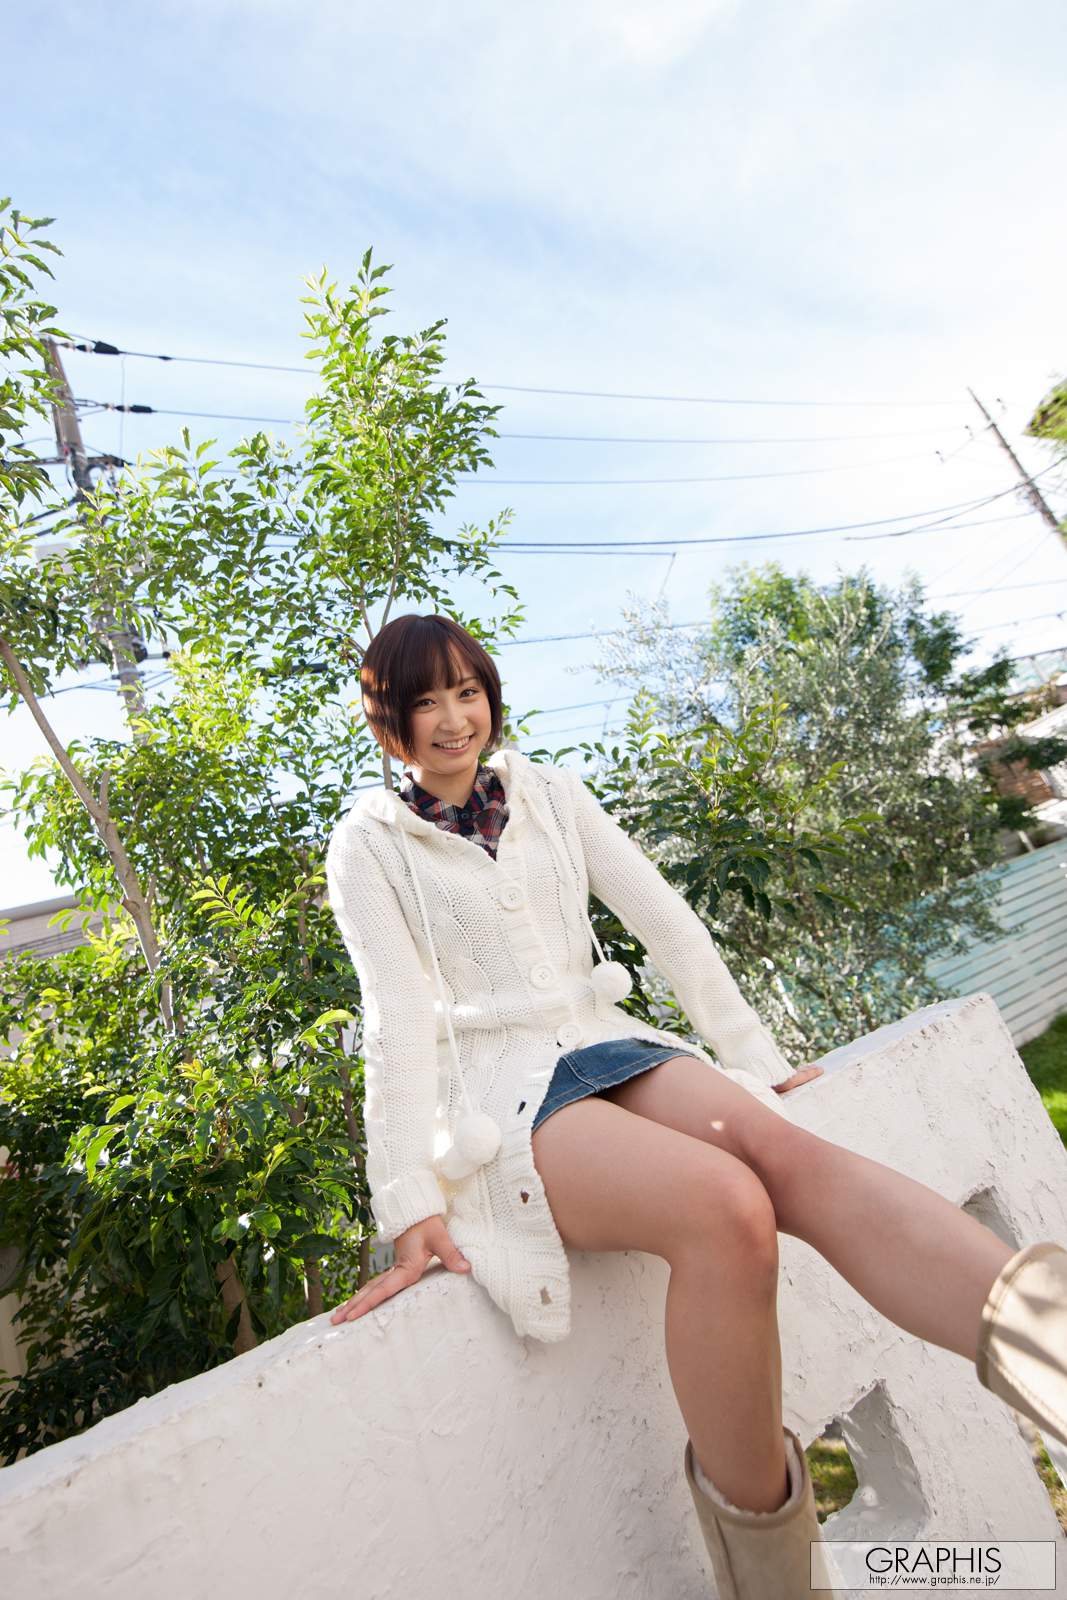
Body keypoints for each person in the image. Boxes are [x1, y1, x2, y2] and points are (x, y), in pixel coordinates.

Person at [325, 611, 1067, 1600]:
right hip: (505, 1097)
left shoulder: (550, 794)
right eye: (425, 702)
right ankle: (778, 1582)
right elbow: (395, 1014)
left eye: (467, 691)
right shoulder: (369, 844)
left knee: (783, 1150)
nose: (454, 718)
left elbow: (665, 923)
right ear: (390, 724)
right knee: (723, 1207)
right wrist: (408, 1196)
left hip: (607, 1041)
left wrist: (751, 1056)